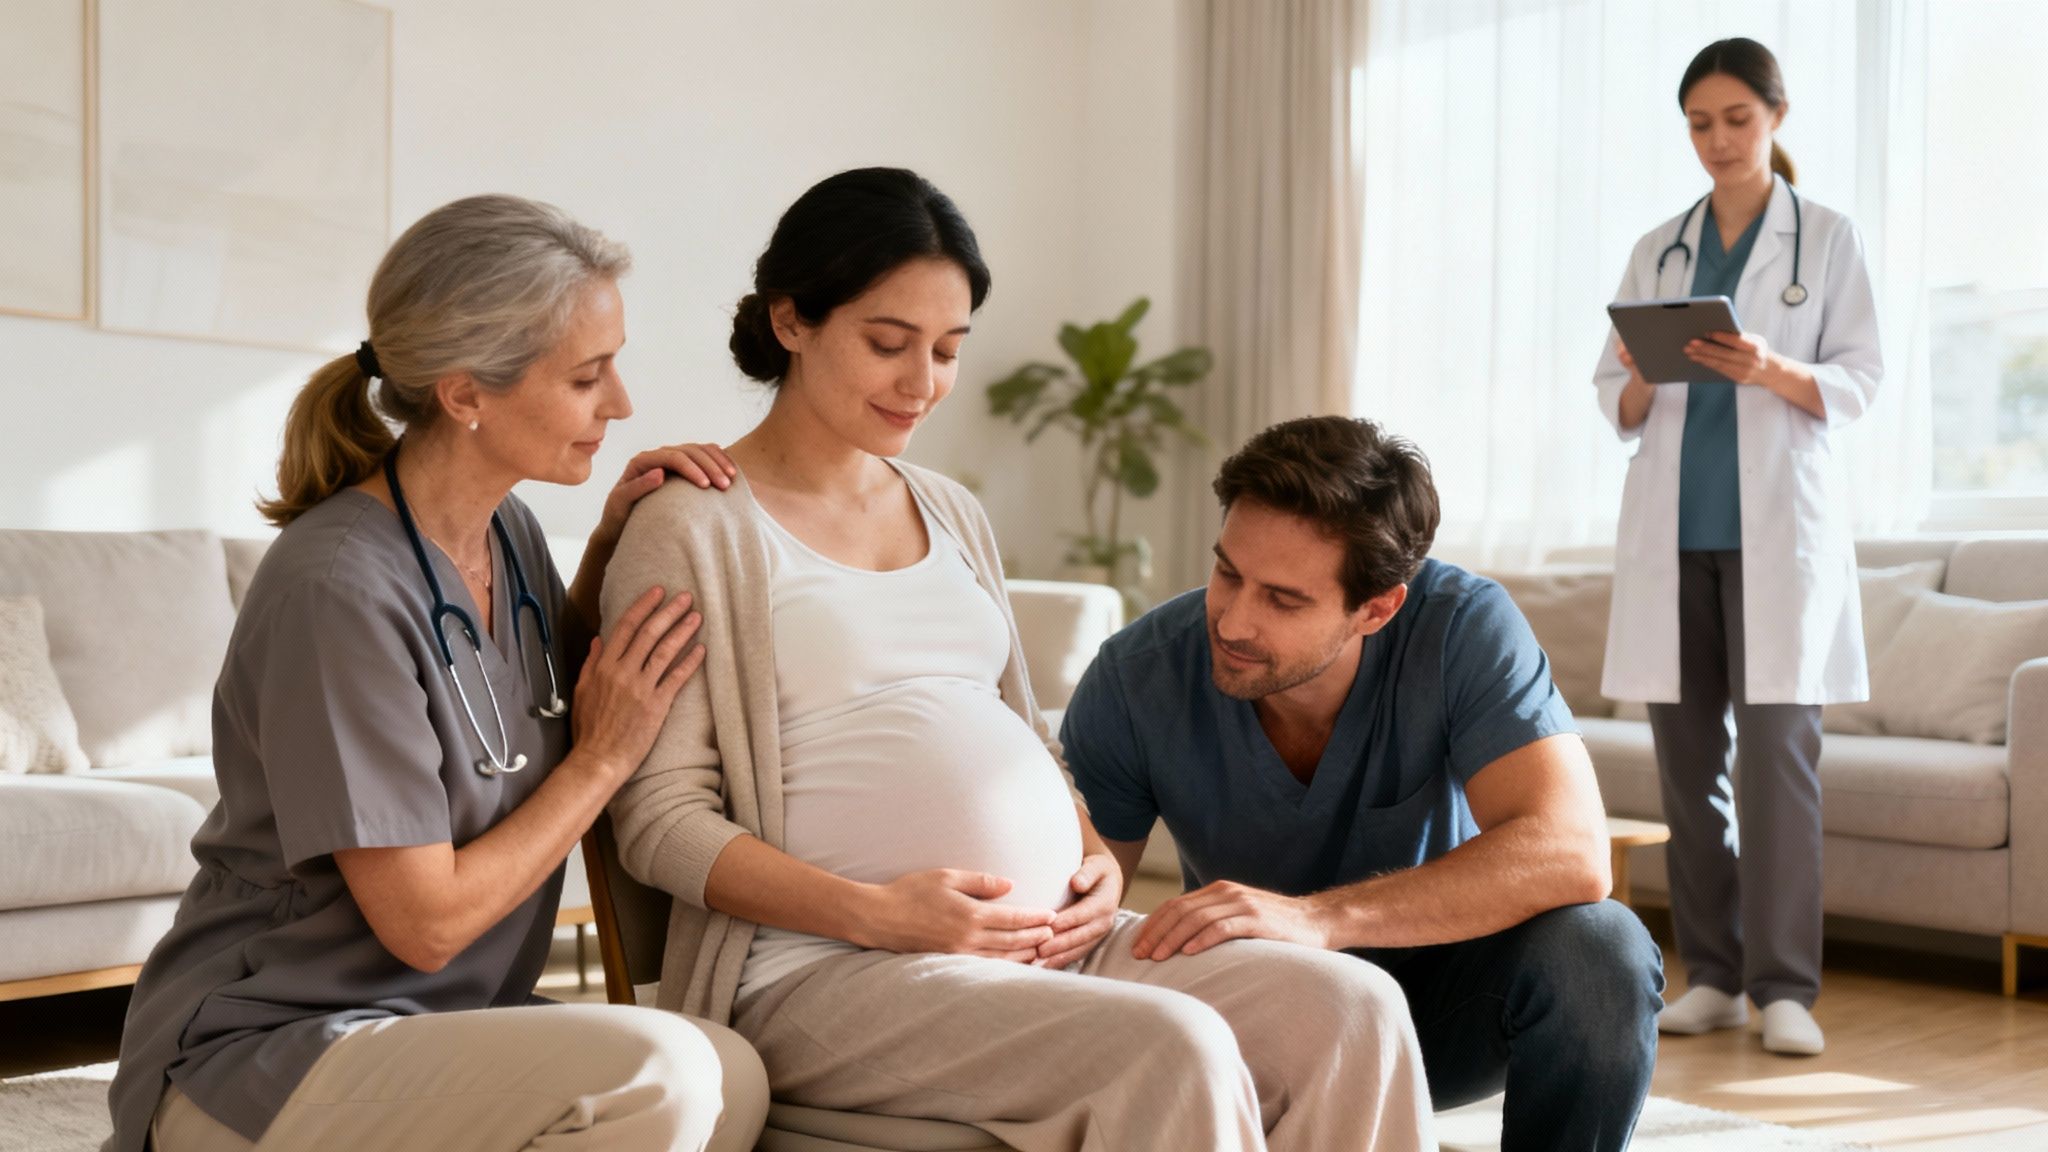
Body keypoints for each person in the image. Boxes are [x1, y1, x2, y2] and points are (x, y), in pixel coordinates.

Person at [602, 168, 1435, 1152]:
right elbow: (656, 823)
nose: (923, 383)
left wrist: (1091, 859)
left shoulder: (951, 511)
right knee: (1170, 1047)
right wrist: (877, 914)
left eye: (947, 350)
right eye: (887, 343)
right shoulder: (693, 526)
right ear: (790, 320)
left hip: (1048, 946)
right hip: (816, 973)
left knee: (1351, 1009)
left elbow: (1020, 742)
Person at [103, 195, 766, 1152]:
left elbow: (519, 695)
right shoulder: (336, 591)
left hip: (441, 1025)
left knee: (728, 1068)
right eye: (588, 376)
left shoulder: (507, 531)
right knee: (651, 1078)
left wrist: (617, 547)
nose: (620, 404)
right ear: (465, 395)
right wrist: (602, 761)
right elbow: (428, 922)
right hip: (269, 1051)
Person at [1061, 415, 1668, 1152]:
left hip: (1434, 1013)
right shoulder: (1136, 676)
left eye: (1283, 600)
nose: (1232, 619)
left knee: (1602, 950)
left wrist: (1319, 919)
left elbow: (1572, 853)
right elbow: (1077, 914)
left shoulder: (1462, 627)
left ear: (1377, 608)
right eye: (1228, 572)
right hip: (1251, 1017)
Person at [1593, 38, 1883, 1057]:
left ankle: (1782, 985)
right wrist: (1636, 368)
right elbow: (1615, 402)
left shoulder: (1826, 239)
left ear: (1774, 117)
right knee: (1685, 771)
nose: (1716, 141)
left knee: (1775, 764)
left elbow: (1856, 381)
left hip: (1775, 540)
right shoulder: (1658, 248)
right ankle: (1711, 973)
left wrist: (1766, 368)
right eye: (1699, 124)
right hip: (1673, 539)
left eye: (1735, 121)